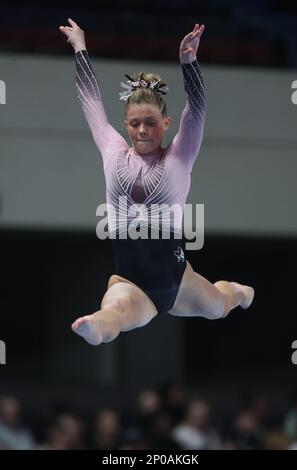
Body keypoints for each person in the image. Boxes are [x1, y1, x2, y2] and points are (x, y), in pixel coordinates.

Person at [59, 19, 254, 346]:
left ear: (166, 122)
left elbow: (197, 109)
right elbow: (90, 102)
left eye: (150, 123)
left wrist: (189, 63)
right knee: (115, 310)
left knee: (219, 306)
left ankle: (238, 291)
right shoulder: (112, 152)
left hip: (178, 282)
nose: (142, 130)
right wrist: (80, 48)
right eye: (134, 124)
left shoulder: (180, 156)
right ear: (126, 124)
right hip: (130, 282)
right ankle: (95, 326)